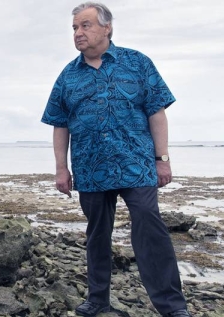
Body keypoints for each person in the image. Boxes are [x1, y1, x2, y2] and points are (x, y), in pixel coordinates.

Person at [41, 2, 191, 317]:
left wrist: (162, 158)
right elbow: (60, 124)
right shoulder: (68, 76)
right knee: (97, 233)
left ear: (107, 27)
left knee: (150, 226)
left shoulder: (137, 63)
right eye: (74, 28)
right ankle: (98, 300)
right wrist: (60, 170)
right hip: (90, 168)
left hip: (136, 164)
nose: (78, 33)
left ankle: (172, 306)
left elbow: (157, 112)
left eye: (85, 26)